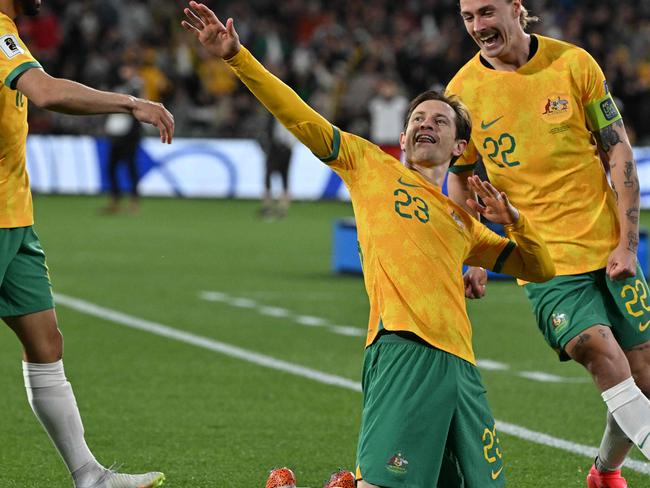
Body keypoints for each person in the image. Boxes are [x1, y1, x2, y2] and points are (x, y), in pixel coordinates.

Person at [182, 3, 555, 487]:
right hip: (403, 348)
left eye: (441, 122)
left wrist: (516, 222)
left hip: (462, 368)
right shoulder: (369, 166)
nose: (427, 124)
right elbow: (298, 116)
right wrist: (238, 57)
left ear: (460, 147)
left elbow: (540, 267)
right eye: (419, 118)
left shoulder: (463, 223)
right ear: (402, 136)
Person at [446, 1, 650, 486]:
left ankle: (604, 472)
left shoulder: (574, 64)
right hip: (543, 264)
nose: (478, 26)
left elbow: (616, 147)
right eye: (469, 16)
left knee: (643, 379)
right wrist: (472, 251)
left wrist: (628, 242)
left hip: (608, 250)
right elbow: (459, 178)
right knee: (598, 352)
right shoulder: (463, 92)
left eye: (487, 12)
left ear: (518, 9)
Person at [0, 1, 173, 487]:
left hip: (15, 218)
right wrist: (131, 102)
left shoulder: (9, 33)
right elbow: (47, 93)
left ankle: (89, 476)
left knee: (45, 343)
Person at [103, 62, 145, 215]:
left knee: (130, 167)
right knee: (111, 167)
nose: (123, 71)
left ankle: (134, 202)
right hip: (117, 134)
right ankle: (115, 200)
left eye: (126, 68)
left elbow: (138, 102)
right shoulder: (120, 86)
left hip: (131, 134)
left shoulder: (136, 86)